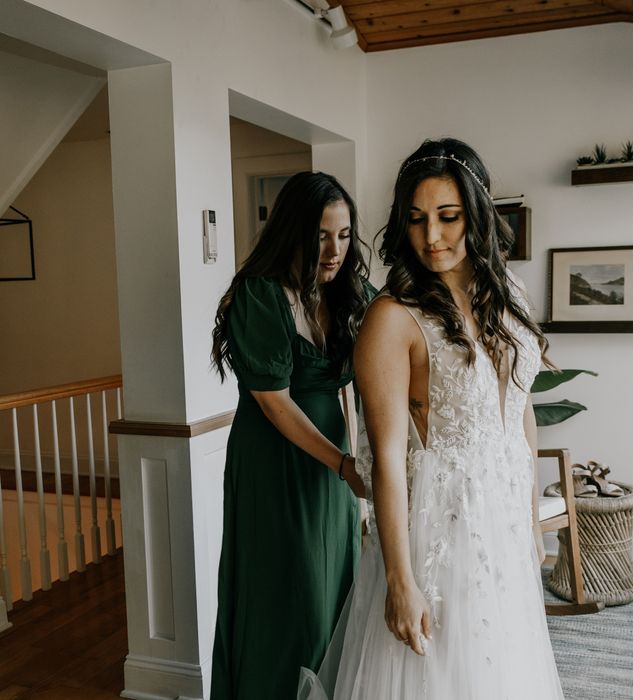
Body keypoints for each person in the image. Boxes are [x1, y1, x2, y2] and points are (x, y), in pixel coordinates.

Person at [299, 139, 563, 699]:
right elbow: (387, 460)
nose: (432, 236)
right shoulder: (392, 319)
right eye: (416, 220)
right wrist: (400, 579)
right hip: (438, 533)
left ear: (478, 215)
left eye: (449, 217)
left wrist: (529, 515)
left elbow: (521, 409)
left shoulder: (508, 297)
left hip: (504, 526)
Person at [210, 171, 374, 700]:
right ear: (291, 232)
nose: (334, 250)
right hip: (275, 461)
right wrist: (344, 465)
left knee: (334, 591)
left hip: (334, 467)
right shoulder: (260, 294)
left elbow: (386, 358)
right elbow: (276, 404)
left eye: (345, 235)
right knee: (289, 594)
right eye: (320, 235)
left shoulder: (351, 294)